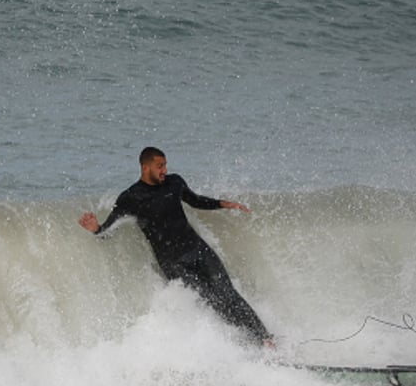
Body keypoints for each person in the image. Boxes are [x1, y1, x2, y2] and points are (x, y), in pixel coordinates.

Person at [79, 146, 273, 346]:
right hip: (173, 263)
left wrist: (223, 203)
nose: (164, 170)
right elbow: (109, 230)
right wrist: (96, 229)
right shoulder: (130, 197)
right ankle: (247, 342)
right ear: (145, 167)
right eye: (159, 166)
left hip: (198, 250)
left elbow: (196, 201)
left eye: (165, 165)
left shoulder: (175, 182)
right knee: (212, 300)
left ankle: (265, 339)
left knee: (228, 292)